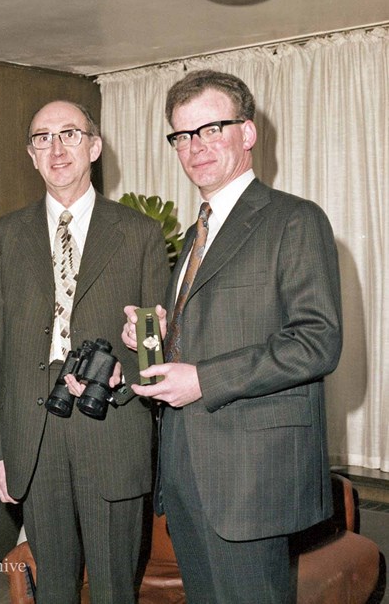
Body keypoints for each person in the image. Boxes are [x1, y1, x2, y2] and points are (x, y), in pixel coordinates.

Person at [122, 70, 343, 603]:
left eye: (211, 129)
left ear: (248, 133)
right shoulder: (201, 228)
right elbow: (219, 326)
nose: (194, 147)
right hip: (187, 473)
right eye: (182, 135)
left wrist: (202, 378)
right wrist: (157, 337)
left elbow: (317, 340)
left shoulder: (294, 219)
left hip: (250, 480)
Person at [0, 100, 169, 603]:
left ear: (95, 147)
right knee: (54, 588)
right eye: (43, 138)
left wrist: (123, 376)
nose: (56, 148)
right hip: (33, 439)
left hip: (111, 434)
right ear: (31, 155)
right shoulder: (5, 235)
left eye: (70, 134)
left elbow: (155, 344)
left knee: (112, 591)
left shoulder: (140, 234)